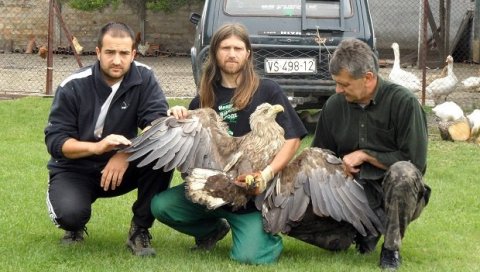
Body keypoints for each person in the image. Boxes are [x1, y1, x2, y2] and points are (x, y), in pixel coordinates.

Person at [150, 23, 308, 264]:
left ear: (248, 54)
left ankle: (264, 235)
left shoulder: (268, 90)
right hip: (214, 191)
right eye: (225, 48)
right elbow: (185, 142)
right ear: (214, 53)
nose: (231, 54)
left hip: (250, 199)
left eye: (237, 48)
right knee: (162, 206)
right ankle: (212, 230)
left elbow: (293, 137)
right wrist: (177, 115)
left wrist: (266, 175)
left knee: (250, 257)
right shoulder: (205, 96)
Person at [299, 38, 431, 270]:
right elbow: (318, 155)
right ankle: (355, 233)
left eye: (345, 84)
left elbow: (415, 163)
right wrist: (337, 167)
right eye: (336, 84)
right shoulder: (334, 105)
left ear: (368, 78)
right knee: (292, 218)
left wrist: (366, 155)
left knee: (403, 173)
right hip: (351, 195)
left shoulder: (404, 103)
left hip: (396, 194)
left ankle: (391, 249)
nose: (338, 90)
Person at [44, 22, 173, 256]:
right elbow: (56, 142)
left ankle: (139, 229)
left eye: (124, 53)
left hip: (122, 168)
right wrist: (97, 148)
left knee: (163, 155)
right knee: (70, 215)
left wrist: (125, 153)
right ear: (97, 52)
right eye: (110, 52)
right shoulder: (72, 86)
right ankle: (73, 227)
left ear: (133, 53)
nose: (117, 60)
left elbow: (158, 126)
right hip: (76, 168)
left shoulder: (144, 78)